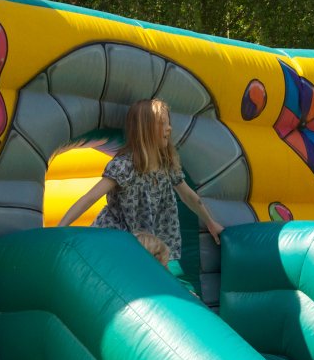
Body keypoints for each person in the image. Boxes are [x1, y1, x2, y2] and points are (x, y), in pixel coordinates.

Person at [57, 99, 223, 260]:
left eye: (168, 123)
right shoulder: (125, 166)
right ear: (145, 129)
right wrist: (61, 228)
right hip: (119, 236)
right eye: (162, 123)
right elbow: (90, 197)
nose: (169, 128)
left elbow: (188, 196)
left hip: (149, 242)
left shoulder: (167, 165)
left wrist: (210, 222)